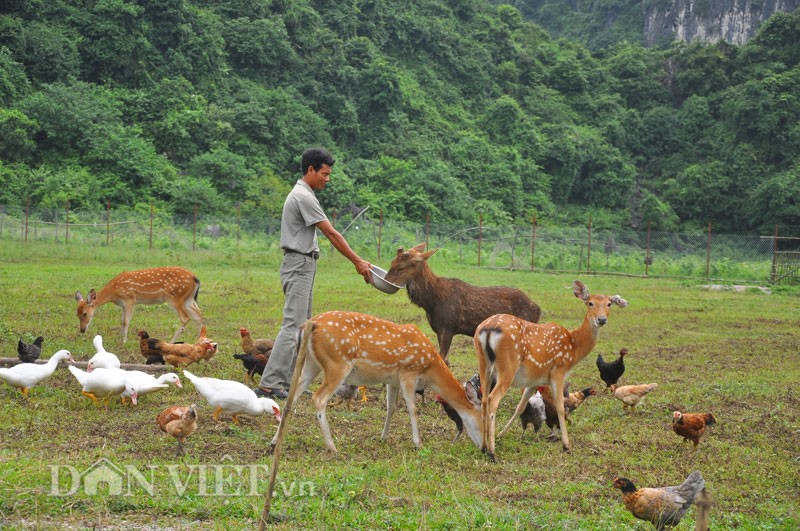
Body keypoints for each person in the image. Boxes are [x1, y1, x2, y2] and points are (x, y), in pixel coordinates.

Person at [255, 147, 372, 399]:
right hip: (299, 263)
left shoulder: (304, 194)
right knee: (293, 325)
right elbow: (331, 233)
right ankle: (269, 383)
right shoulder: (304, 197)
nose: (327, 179)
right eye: (325, 174)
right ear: (310, 169)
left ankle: (288, 383)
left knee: (304, 327)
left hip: (304, 263)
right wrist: (357, 261)